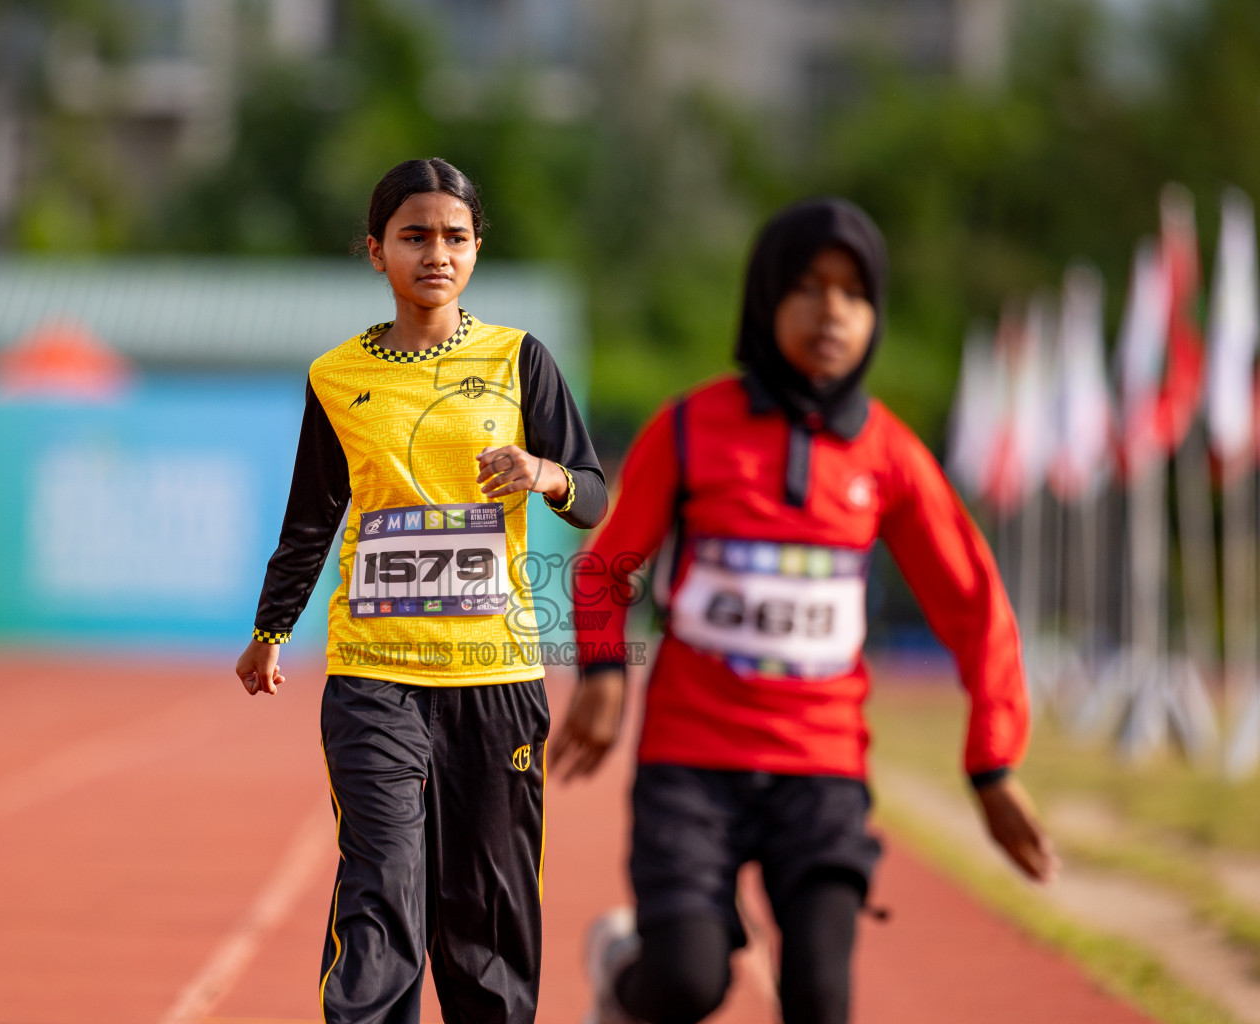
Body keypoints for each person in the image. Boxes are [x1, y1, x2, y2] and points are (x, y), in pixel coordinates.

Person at [549, 197, 1057, 1024]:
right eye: (809, 288)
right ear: (765, 299)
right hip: (691, 765)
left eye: (854, 294)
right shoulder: (691, 428)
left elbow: (973, 603)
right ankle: (623, 967)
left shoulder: (888, 453)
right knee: (687, 982)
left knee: (821, 1000)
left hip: (821, 772)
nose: (831, 312)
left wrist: (992, 762)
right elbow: (608, 564)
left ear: (875, 314)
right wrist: (605, 675)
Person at [234, 157, 608, 1024]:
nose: (435, 252)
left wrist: (543, 470)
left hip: (496, 681)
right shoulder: (335, 376)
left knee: (488, 919)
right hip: (375, 680)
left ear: (476, 249)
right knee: (383, 885)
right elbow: (312, 514)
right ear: (376, 251)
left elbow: (591, 494)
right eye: (414, 236)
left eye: (454, 236)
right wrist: (270, 628)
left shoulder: (521, 361)